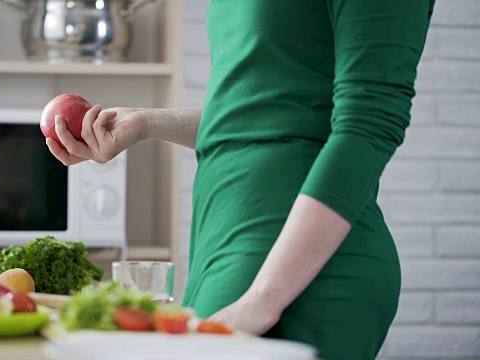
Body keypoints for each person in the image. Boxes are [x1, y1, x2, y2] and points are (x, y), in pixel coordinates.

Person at [45, 1, 436, 359]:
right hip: (223, 248)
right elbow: (261, 115)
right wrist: (145, 123)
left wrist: (263, 300)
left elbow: (368, 126)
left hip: (299, 270)